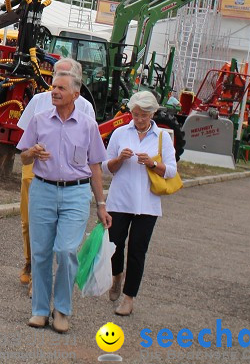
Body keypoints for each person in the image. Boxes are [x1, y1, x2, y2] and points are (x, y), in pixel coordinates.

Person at [18, 68, 110, 333]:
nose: (55, 92)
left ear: (75, 94)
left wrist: (101, 204)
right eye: (53, 87)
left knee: (67, 251)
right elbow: (23, 157)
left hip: (76, 194)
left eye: (61, 88)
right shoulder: (39, 120)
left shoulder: (88, 125)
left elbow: (95, 167)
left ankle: (62, 310)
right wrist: (31, 153)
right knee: (42, 252)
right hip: (43, 190)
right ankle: (39, 311)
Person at [16, 58, 96, 287]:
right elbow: (23, 140)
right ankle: (30, 262)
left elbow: (90, 146)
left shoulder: (85, 107)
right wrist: (32, 151)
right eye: (56, 76)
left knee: (62, 237)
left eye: (65, 77)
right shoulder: (39, 100)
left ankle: (48, 279)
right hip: (36, 167)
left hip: (70, 173)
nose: (57, 83)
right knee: (29, 221)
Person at [104, 90, 177, 316]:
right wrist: (120, 159)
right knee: (114, 245)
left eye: (144, 115)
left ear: (153, 113)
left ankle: (128, 297)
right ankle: (117, 276)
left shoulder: (163, 137)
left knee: (137, 250)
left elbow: (172, 170)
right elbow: (107, 167)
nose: (139, 119)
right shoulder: (119, 133)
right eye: (135, 114)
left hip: (147, 204)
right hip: (120, 200)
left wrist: (153, 165)